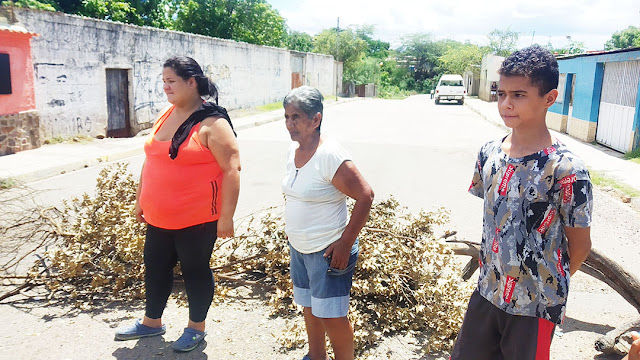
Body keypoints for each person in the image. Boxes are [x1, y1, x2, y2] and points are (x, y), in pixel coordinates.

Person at [450, 45, 593, 360]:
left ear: (549, 98)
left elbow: (580, 247)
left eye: (519, 95)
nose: (505, 103)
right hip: (486, 293)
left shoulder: (565, 168)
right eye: (501, 93)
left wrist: (542, 284)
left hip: (534, 309)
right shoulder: (489, 152)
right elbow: (495, 222)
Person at [114, 56, 241, 353]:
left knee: (195, 270)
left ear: (191, 82)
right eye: (163, 81)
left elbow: (232, 170)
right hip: (159, 215)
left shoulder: (213, 123)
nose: (165, 87)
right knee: (155, 267)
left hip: (197, 218)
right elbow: (152, 159)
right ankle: (151, 322)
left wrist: (226, 217)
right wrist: (140, 199)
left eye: (171, 81)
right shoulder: (165, 113)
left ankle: (196, 328)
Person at [281, 86, 374, 360]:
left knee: (332, 316)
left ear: (316, 119)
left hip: (327, 252)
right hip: (300, 249)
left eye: (296, 117)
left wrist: (345, 244)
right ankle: (316, 356)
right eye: (286, 117)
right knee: (310, 308)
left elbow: (366, 196)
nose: (289, 124)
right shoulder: (294, 150)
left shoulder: (329, 155)